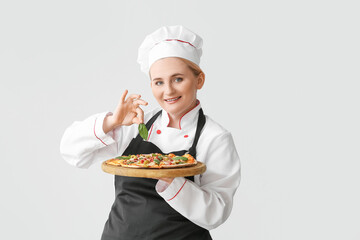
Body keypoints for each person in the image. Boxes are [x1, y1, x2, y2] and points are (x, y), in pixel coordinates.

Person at [60, 25, 241, 240]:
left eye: (178, 79)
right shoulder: (137, 124)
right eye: (159, 82)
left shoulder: (214, 137)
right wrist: (111, 121)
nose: (168, 91)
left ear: (199, 79)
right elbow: (71, 151)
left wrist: (168, 176)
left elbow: (216, 212)